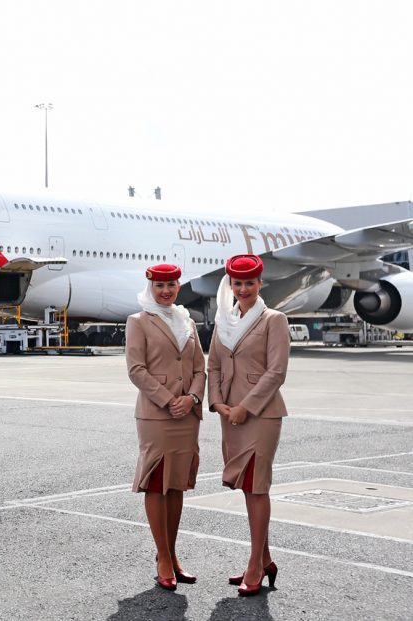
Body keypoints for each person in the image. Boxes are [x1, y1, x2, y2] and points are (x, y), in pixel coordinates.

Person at [207, 254, 289, 596]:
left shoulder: (274, 320)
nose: (243, 289)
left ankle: (255, 565)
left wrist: (246, 407)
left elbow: (276, 372)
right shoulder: (224, 321)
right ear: (231, 285)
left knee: (257, 486)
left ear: (260, 284)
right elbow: (213, 365)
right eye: (237, 283)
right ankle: (265, 558)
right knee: (246, 486)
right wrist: (217, 402)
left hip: (260, 414)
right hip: (230, 414)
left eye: (249, 283)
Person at [126, 263, 206, 590]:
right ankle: (162, 557)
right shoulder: (138, 321)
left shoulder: (187, 320)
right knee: (157, 482)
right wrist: (168, 399)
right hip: (157, 414)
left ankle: (173, 556)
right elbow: (136, 369)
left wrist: (192, 398)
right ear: (151, 287)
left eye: (171, 285)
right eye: (160, 286)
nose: (166, 291)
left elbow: (200, 369)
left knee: (176, 484)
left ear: (178, 286)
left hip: (186, 414)